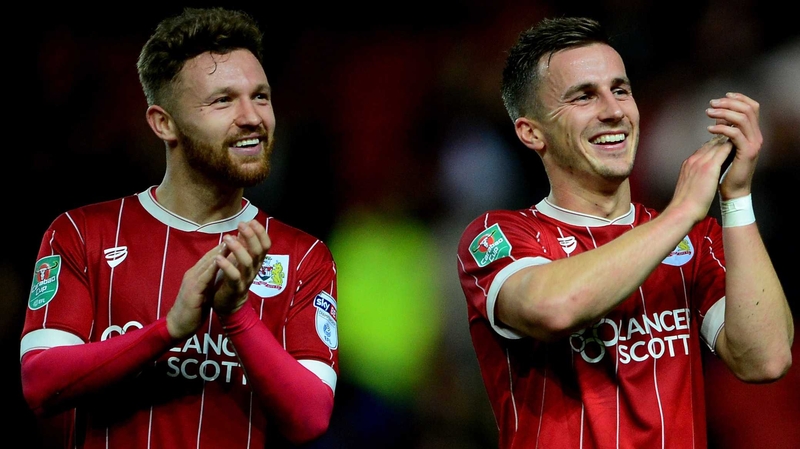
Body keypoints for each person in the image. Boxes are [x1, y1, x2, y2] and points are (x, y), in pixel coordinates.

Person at [455, 16, 794, 449]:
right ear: (532, 132)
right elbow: (553, 308)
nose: (613, 111)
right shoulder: (499, 235)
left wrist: (737, 197)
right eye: (584, 96)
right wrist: (682, 211)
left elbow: (766, 360)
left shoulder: (696, 239)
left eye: (620, 90)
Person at [20, 7, 339, 448]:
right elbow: (39, 382)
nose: (252, 117)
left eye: (261, 96)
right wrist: (168, 330)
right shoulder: (80, 233)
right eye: (223, 100)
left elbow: (311, 418)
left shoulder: (304, 256)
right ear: (163, 123)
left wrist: (236, 314)